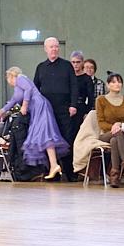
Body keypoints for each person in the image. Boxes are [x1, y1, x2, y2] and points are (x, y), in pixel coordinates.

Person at [0, 67, 67, 179]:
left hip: (39, 107)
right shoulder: (17, 88)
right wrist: (2, 111)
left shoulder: (20, 78)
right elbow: (13, 101)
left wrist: (24, 105)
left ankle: (53, 165)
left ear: (10, 76)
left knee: (45, 134)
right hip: (35, 110)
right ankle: (53, 165)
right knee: (43, 137)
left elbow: (29, 89)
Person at [33, 37, 78, 180]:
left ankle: (70, 173)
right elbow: (35, 89)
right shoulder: (41, 67)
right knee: (49, 141)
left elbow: (74, 86)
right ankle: (53, 172)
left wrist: (73, 105)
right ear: (45, 49)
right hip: (47, 110)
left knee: (66, 139)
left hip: (64, 108)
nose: (54, 49)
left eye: (56, 47)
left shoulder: (66, 66)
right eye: (51, 47)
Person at [94, 73, 124, 187]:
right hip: (105, 134)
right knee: (116, 134)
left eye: (119, 81)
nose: (117, 84)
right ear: (108, 85)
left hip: (123, 133)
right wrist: (114, 127)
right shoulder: (101, 100)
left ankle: (114, 175)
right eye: (113, 82)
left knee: (115, 140)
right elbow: (101, 122)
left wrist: (120, 124)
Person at [69, 51, 94, 133]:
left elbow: (91, 98)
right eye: (73, 62)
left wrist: (87, 112)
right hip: (68, 108)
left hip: (81, 109)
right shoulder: (68, 77)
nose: (75, 64)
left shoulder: (87, 79)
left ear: (82, 63)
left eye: (78, 62)